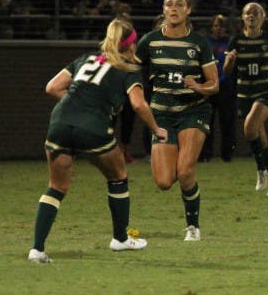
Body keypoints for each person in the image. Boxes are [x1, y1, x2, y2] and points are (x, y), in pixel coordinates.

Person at [29, 19, 168, 263]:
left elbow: (52, 87)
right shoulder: (128, 69)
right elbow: (138, 104)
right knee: (118, 176)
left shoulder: (86, 59)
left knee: (57, 187)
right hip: (92, 127)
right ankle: (120, 239)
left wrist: (77, 104)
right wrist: (157, 128)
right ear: (130, 45)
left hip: (59, 122)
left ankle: (37, 250)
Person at [135, 0, 219, 242]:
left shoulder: (199, 43)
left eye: (179, 4)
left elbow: (214, 84)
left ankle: (193, 226)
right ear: (163, 9)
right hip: (161, 115)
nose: (173, 8)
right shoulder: (149, 41)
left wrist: (199, 87)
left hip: (193, 110)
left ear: (188, 10)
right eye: (169, 4)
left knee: (185, 171)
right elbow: (130, 70)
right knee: (163, 182)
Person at [224, 3, 268, 195]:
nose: (251, 16)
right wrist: (229, 61)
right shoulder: (236, 41)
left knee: (249, 128)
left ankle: (261, 170)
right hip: (245, 94)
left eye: (256, 13)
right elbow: (227, 71)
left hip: (266, 92)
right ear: (243, 17)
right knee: (259, 138)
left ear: (263, 17)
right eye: (248, 13)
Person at [204, 14, 237, 162]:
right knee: (207, 122)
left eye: (221, 26)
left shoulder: (230, 43)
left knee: (227, 122)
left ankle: (227, 154)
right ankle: (206, 153)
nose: (218, 29)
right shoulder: (206, 43)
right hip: (209, 86)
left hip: (225, 87)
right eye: (216, 26)